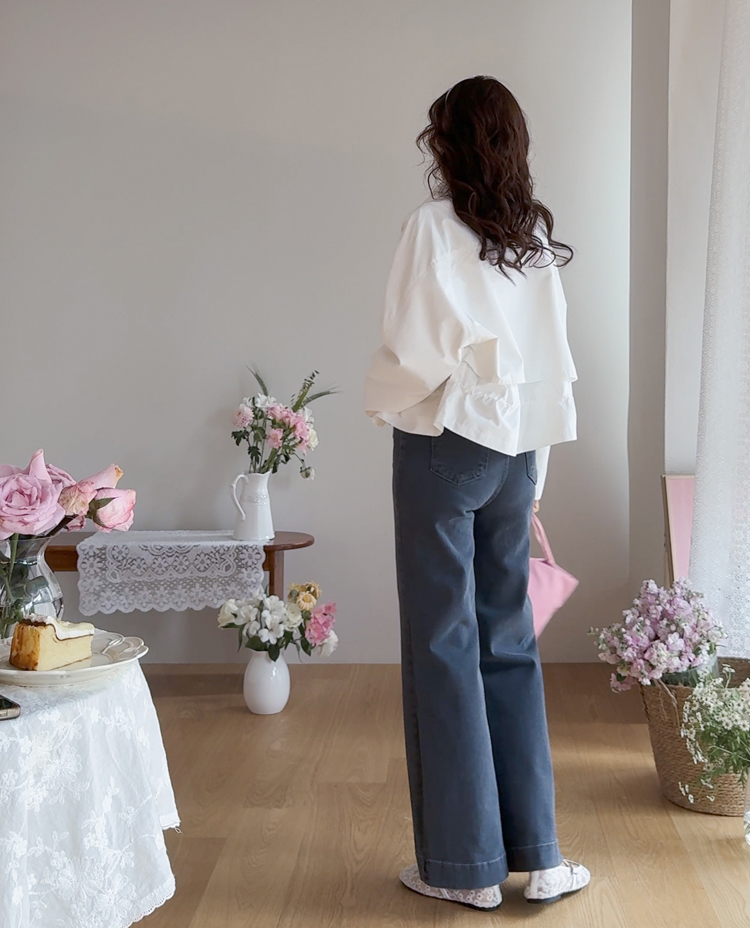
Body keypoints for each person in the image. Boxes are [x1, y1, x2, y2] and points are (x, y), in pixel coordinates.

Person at [364, 76, 591, 910]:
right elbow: (553, 363)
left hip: (446, 446)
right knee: (510, 641)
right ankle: (541, 858)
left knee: (443, 647)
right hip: (520, 454)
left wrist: (386, 403)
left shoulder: (431, 226)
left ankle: (464, 871)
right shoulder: (534, 238)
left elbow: (411, 348)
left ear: (447, 143)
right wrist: (535, 479)